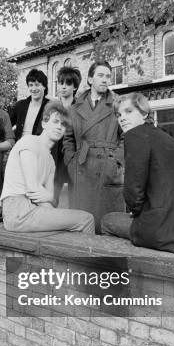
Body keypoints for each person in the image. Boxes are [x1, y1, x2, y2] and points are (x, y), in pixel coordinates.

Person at [101, 93, 174, 253]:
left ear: (144, 113)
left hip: (159, 230)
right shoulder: (162, 136)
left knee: (107, 220)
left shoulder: (134, 135)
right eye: (119, 114)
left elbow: (133, 192)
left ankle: (118, 271)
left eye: (128, 112)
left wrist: (136, 211)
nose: (122, 118)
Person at [0, 101, 95, 234]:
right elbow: (33, 189)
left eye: (63, 124)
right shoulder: (29, 142)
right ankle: (87, 255)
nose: (59, 127)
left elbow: (50, 197)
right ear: (44, 123)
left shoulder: (50, 160)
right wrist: (50, 197)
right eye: (55, 121)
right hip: (17, 210)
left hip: (34, 210)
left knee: (72, 223)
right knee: (86, 219)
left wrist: (55, 209)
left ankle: (72, 253)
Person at [63, 60, 124, 232]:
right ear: (90, 79)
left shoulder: (118, 103)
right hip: (81, 168)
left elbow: (128, 134)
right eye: (100, 75)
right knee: (82, 227)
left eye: (108, 76)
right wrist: (71, 162)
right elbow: (68, 139)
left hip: (107, 169)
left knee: (108, 227)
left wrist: (116, 160)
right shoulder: (74, 108)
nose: (105, 80)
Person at [54, 66, 81, 206]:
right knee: (52, 197)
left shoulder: (80, 108)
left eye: (68, 83)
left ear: (75, 87)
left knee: (75, 200)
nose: (63, 87)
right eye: (61, 83)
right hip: (54, 158)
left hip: (73, 157)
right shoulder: (52, 107)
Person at [9, 69, 49, 141]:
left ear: (44, 86)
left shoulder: (50, 107)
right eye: (31, 85)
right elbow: (6, 126)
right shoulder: (19, 106)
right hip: (20, 148)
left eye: (37, 85)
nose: (33, 89)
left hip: (40, 148)